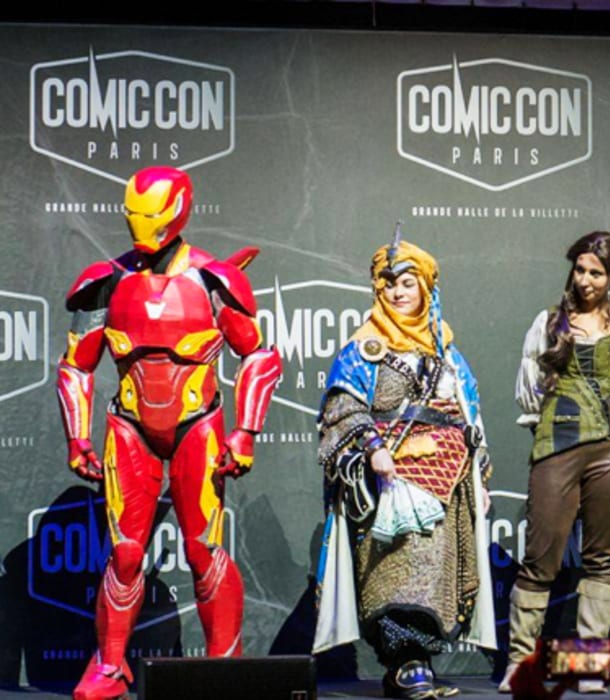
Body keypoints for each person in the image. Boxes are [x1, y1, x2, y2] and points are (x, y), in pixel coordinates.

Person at [55, 166, 282, 700]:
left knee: (203, 549)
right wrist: (77, 437)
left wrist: (246, 432)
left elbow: (259, 357)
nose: (141, 224)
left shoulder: (212, 280)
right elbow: (76, 366)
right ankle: (110, 666)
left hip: (196, 426)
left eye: (150, 213)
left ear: (175, 212)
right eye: (134, 213)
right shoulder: (107, 281)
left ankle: (225, 665)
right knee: (125, 553)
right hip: (130, 425)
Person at [314, 233, 495, 699]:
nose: (397, 292)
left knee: (435, 575)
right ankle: (403, 661)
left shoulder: (447, 354)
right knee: (394, 572)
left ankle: (420, 661)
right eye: (388, 283)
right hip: (388, 480)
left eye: (407, 283)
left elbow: (471, 419)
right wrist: (373, 446)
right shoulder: (363, 350)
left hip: (446, 481)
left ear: (426, 288)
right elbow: (341, 408)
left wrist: (479, 477)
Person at [501, 232, 610, 693]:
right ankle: (519, 665)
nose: (586, 280)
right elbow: (530, 386)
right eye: (580, 269)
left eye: (597, 272)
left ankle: (589, 665)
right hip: (557, 447)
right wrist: (548, 426)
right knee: (540, 558)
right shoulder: (549, 322)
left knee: (602, 557)